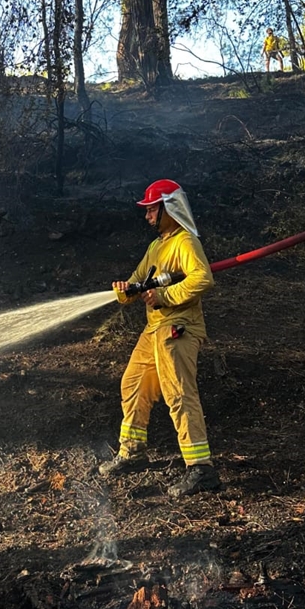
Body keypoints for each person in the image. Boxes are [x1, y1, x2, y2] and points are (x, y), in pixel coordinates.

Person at [100, 179, 219, 498]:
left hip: (179, 327)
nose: (147, 215)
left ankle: (200, 469)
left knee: (179, 391)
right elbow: (138, 282)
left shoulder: (185, 241)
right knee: (133, 382)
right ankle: (132, 453)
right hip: (154, 329)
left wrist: (166, 296)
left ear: (170, 208)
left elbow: (202, 279)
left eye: (152, 208)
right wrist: (124, 292)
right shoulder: (156, 247)